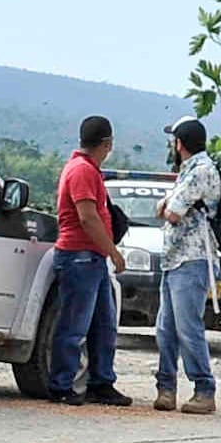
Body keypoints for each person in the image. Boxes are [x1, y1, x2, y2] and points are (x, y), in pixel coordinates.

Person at [42, 115, 126, 405]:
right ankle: (61, 384)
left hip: (93, 258)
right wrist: (113, 250)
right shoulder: (82, 171)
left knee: (104, 324)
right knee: (74, 324)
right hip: (80, 256)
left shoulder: (87, 169)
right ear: (107, 143)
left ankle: (101, 382)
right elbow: (87, 217)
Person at [148, 117, 221, 414]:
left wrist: (169, 204)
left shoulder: (201, 171)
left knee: (187, 327)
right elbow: (165, 208)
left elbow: (172, 213)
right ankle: (166, 387)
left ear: (179, 143)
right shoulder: (188, 172)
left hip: (192, 259)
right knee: (165, 328)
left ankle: (204, 388)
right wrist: (168, 204)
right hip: (175, 258)